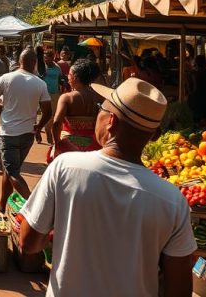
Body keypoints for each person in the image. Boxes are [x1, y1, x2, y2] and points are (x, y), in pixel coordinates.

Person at [19, 78, 196, 297]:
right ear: (153, 136)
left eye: (100, 109)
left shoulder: (66, 167)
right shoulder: (173, 200)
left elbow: (28, 242)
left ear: (110, 120)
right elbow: (179, 289)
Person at [0, 48, 51, 208]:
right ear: (35, 63)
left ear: (19, 62)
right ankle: (2, 205)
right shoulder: (40, 83)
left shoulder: (7, 78)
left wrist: (2, 107)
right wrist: (39, 126)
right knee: (9, 170)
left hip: (8, 133)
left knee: (12, 171)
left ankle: (35, 206)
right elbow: (48, 111)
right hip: (27, 134)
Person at [49, 58, 104, 161]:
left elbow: (56, 122)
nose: (67, 77)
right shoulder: (99, 97)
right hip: (93, 145)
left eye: (69, 74)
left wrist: (56, 143)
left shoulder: (67, 97)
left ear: (75, 77)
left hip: (69, 146)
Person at [41, 48, 63, 141]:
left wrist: (60, 90)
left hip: (55, 94)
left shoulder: (57, 67)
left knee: (53, 114)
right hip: (43, 93)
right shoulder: (41, 67)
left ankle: (47, 129)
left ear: (52, 58)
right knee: (45, 113)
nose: (45, 60)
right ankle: (47, 131)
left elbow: (60, 79)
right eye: (44, 58)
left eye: (47, 58)